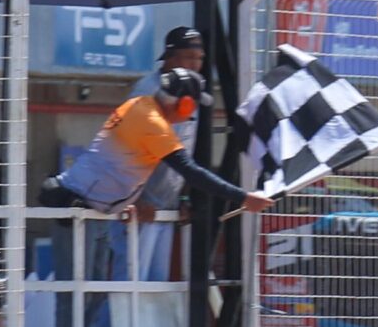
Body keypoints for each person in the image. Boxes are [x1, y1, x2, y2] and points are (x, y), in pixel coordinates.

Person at [40, 68, 273, 219]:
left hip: (94, 208)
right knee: (75, 282)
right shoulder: (153, 123)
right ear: (184, 104)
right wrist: (243, 197)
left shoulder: (141, 105)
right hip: (76, 208)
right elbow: (191, 172)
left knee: (93, 281)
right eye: (193, 105)